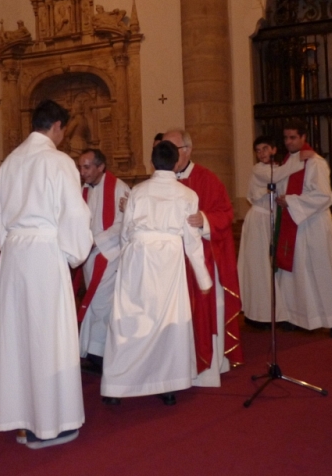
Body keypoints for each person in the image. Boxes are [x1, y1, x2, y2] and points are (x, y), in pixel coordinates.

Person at [0, 99, 93, 449]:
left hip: (16, 256)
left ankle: (23, 419)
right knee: (50, 338)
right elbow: (75, 215)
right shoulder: (58, 161)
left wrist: (14, 245)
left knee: (20, 339)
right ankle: (50, 424)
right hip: (45, 254)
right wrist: (71, 253)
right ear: (58, 127)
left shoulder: (10, 162)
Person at [101, 141, 212, 405]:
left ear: (153, 162)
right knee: (166, 321)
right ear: (176, 164)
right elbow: (192, 240)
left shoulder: (138, 191)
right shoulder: (187, 195)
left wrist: (129, 254)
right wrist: (203, 277)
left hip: (138, 257)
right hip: (169, 260)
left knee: (129, 318)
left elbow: (126, 230)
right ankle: (167, 383)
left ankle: (118, 385)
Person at [162, 129, 244, 386]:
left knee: (205, 312)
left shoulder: (206, 179)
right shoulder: (162, 181)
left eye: (173, 149)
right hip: (172, 263)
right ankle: (177, 366)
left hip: (203, 261)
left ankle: (207, 368)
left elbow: (226, 213)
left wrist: (204, 220)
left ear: (187, 150)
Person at [275, 119, 332, 338]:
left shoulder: (315, 162)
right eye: (286, 138)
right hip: (294, 223)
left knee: (320, 271)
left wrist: (292, 201)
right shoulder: (287, 162)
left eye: (293, 137)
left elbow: (325, 196)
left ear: (304, 137)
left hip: (313, 224)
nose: (288, 142)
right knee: (296, 273)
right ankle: (297, 317)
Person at [237, 135, 313, 326]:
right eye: (258, 150)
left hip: (271, 220)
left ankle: (273, 311)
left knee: (271, 266)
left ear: (273, 150)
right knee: (258, 266)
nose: (261, 153)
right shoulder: (260, 170)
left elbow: (283, 180)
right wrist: (299, 158)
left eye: (265, 148)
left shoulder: (277, 169)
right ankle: (257, 314)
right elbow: (277, 177)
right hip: (258, 219)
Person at [77, 148, 130, 373]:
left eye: (87, 167)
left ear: (101, 167)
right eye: (80, 167)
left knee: (101, 304)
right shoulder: (83, 190)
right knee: (94, 303)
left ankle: (100, 356)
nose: (82, 172)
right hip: (89, 256)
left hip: (111, 254)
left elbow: (124, 223)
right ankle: (92, 351)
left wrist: (96, 242)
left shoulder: (119, 188)